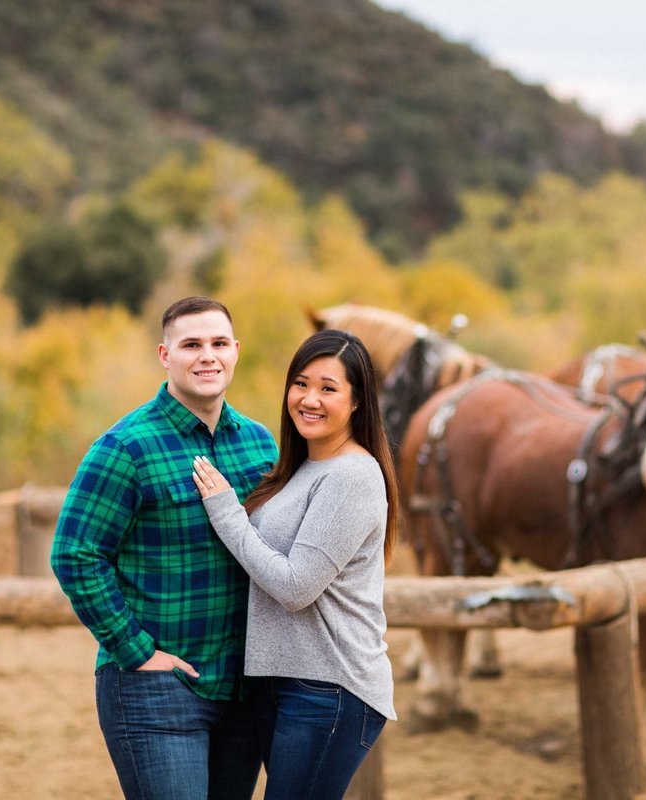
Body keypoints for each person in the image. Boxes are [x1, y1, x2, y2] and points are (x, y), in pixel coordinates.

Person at [50, 296, 278, 800]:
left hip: (243, 689)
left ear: (236, 351)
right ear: (164, 354)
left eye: (218, 343)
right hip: (158, 690)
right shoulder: (126, 447)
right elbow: (74, 553)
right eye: (191, 344)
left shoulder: (261, 444)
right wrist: (137, 651)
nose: (207, 356)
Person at [191, 328, 399, 800]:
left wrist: (226, 511)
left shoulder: (353, 475)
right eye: (301, 384)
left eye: (328, 388)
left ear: (358, 401)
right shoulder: (304, 466)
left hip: (330, 687)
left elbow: (295, 586)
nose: (309, 399)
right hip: (285, 682)